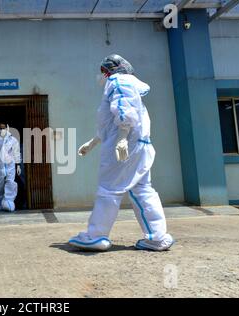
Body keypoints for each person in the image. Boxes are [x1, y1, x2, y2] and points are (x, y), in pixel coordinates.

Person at [68, 54, 175, 252]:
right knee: (142, 189)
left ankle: (96, 236)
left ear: (108, 70)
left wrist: (123, 138)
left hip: (125, 145)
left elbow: (123, 111)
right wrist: (92, 143)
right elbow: (110, 122)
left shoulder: (118, 81)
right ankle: (157, 237)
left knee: (109, 188)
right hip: (140, 145)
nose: (99, 76)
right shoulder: (129, 84)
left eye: (101, 72)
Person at [0, 121, 22, 212]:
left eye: (3, 128)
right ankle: (0, 202)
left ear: (7, 128)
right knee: (0, 186)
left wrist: (18, 165)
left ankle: (9, 201)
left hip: (10, 166)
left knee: (10, 182)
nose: (1, 130)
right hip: (0, 167)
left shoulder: (13, 140)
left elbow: (17, 153)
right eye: (0, 128)